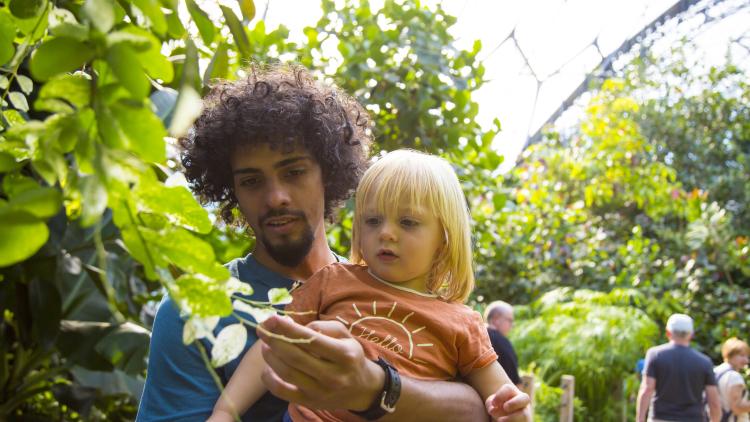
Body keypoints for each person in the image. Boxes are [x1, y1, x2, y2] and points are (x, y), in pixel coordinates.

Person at [137, 64, 519, 421]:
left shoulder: (408, 294)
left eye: (294, 172)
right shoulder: (192, 311)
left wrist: (377, 387)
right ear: (232, 189)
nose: (276, 198)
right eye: (252, 180)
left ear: (330, 173)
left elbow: (486, 402)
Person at [209, 149, 531, 422]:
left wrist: (513, 411)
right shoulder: (334, 280)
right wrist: (225, 412)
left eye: (407, 222)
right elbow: (274, 344)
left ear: (444, 240)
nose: (386, 233)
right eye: (373, 220)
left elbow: (500, 396)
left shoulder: (462, 322)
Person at [636, 313, 721, 422]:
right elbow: (714, 401)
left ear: (668, 333)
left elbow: (647, 389)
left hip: (661, 418)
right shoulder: (704, 362)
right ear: (691, 335)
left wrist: (640, 419)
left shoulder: (655, 355)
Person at [484, 300, 522, 387]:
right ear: (496, 319)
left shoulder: (473, 336)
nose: (511, 325)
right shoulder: (501, 341)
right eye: (510, 320)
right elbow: (514, 381)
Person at [714, 337, 750, 422]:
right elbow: (737, 407)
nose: (746, 360)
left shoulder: (715, 371)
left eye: (747, 357)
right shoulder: (734, 377)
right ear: (730, 354)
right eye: (742, 355)